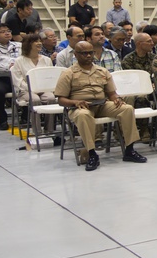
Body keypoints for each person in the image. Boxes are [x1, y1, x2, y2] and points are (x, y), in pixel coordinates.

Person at [54, 41, 146, 171]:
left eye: (90, 53)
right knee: (83, 115)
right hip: (80, 107)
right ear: (76, 54)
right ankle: (92, 154)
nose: (88, 56)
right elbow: (61, 100)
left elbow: (112, 93)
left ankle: (129, 150)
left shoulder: (102, 71)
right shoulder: (68, 73)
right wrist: (75, 102)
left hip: (101, 104)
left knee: (127, 109)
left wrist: (116, 99)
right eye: (84, 53)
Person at [121, 32, 157, 142]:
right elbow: (130, 79)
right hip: (135, 89)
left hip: (154, 88)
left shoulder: (154, 58)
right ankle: (143, 129)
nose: (152, 43)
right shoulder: (128, 59)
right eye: (149, 41)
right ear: (139, 44)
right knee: (141, 97)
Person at [11, 33, 54, 121]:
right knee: (34, 99)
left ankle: (49, 129)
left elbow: (50, 77)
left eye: (40, 41)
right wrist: (33, 89)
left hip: (44, 89)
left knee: (51, 98)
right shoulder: (19, 61)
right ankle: (37, 129)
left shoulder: (46, 60)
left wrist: (44, 88)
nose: (39, 43)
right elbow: (18, 81)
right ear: (28, 44)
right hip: (26, 91)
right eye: (35, 41)